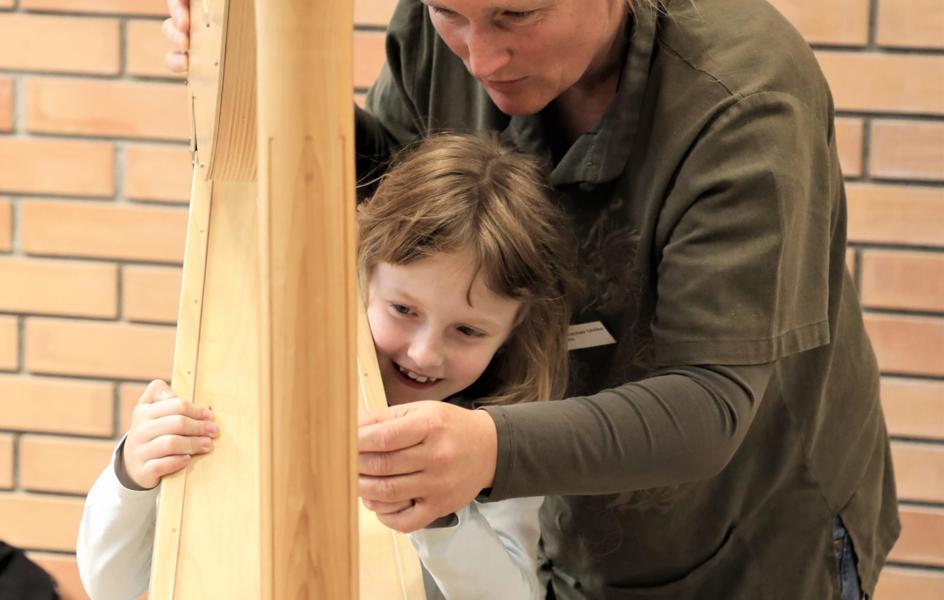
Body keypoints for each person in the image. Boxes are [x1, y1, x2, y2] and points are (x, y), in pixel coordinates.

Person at [162, 0, 899, 598]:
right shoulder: (434, 24)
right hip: (554, 535)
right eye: (452, 14)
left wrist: (488, 448)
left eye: (518, 15)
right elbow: (398, 192)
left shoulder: (745, 97)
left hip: (745, 540)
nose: (480, 58)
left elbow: (710, 403)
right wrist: (255, 87)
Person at [77, 133, 580, 600]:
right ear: (361, 274)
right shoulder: (249, 392)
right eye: (404, 311)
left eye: (468, 331)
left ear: (512, 333)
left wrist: (440, 513)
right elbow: (111, 584)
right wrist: (132, 474)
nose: (425, 354)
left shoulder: (496, 428)